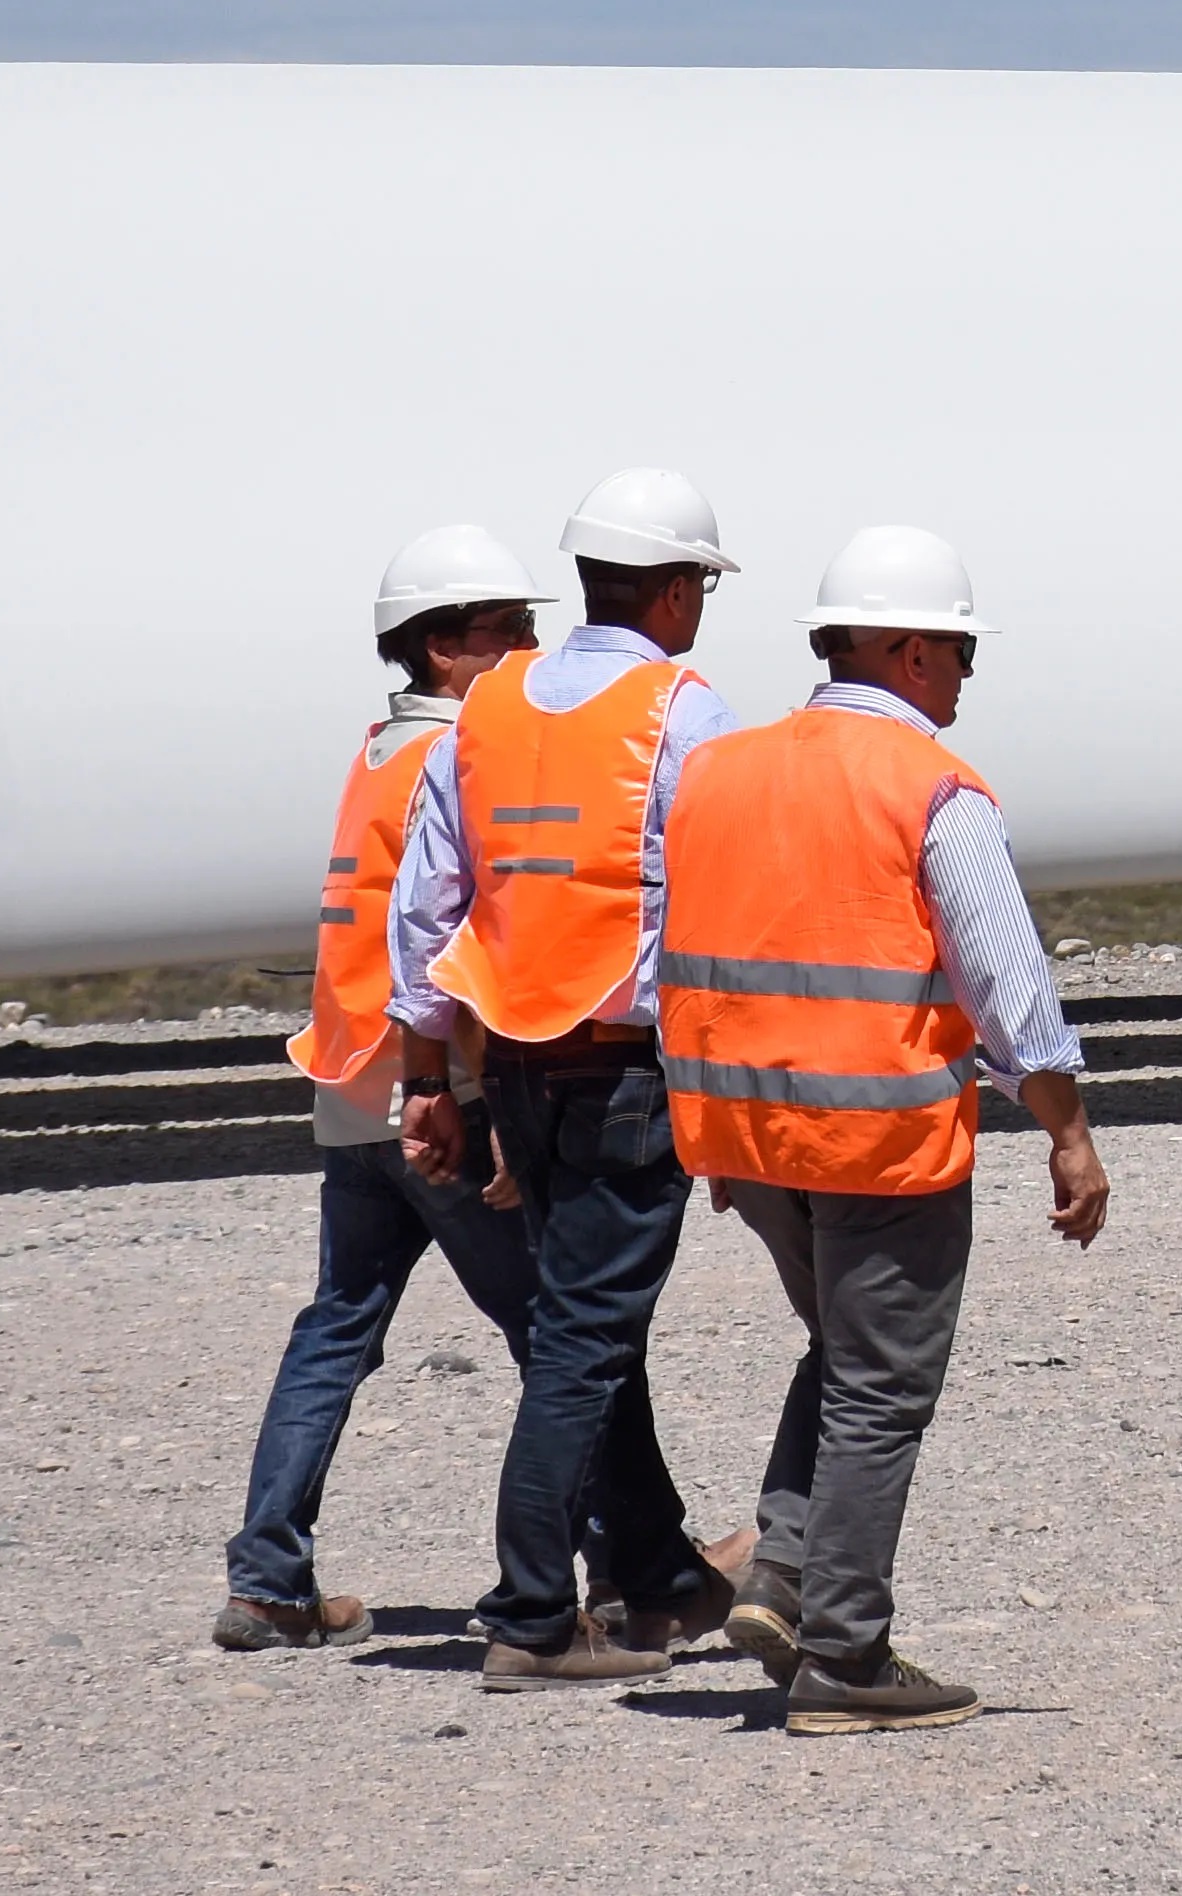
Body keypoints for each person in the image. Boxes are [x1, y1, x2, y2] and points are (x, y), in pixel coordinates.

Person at [666, 527, 1110, 1735]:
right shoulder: (930, 786)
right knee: (880, 1387)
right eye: (958, 648)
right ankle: (845, 1655)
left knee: (844, 1353)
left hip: (747, 1137)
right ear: (909, 648)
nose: (966, 674)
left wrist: (711, 1127)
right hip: (876, 1138)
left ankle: (787, 1572)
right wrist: (1068, 1130)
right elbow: (1010, 990)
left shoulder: (719, 768)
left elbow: (680, 959)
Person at [387, 465, 747, 1687]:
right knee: (585, 1339)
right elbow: (723, 915)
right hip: (626, 1070)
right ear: (677, 589)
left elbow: (427, 901)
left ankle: (654, 1576)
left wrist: (429, 1073)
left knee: (593, 1331)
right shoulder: (680, 711)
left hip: (519, 1073)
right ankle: (534, 1613)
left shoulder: (485, 710)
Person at [214, 525, 558, 1651]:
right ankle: (618, 1568)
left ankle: (266, 1577)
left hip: (348, 1087)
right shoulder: (461, 755)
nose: (530, 641)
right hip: (431, 1092)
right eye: (509, 626)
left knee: (336, 1326)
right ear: (443, 644)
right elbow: (456, 933)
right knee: (559, 1328)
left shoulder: (375, 749)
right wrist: (476, 1098)